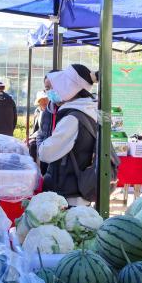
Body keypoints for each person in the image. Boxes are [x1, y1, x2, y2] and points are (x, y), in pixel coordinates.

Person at [38, 64, 100, 205]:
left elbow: (45, 153)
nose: (56, 89)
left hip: (69, 195)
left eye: (60, 84)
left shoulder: (72, 118)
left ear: (72, 87)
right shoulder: (89, 110)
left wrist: (42, 145)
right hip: (78, 190)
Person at [28, 90, 49, 160]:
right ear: (39, 102)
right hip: (39, 135)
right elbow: (35, 127)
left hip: (46, 137)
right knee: (30, 144)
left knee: (33, 145)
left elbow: (44, 130)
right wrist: (31, 136)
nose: (44, 102)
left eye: (45, 99)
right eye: (41, 100)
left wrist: (33, 137)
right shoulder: (37, 111)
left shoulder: (50, 112)